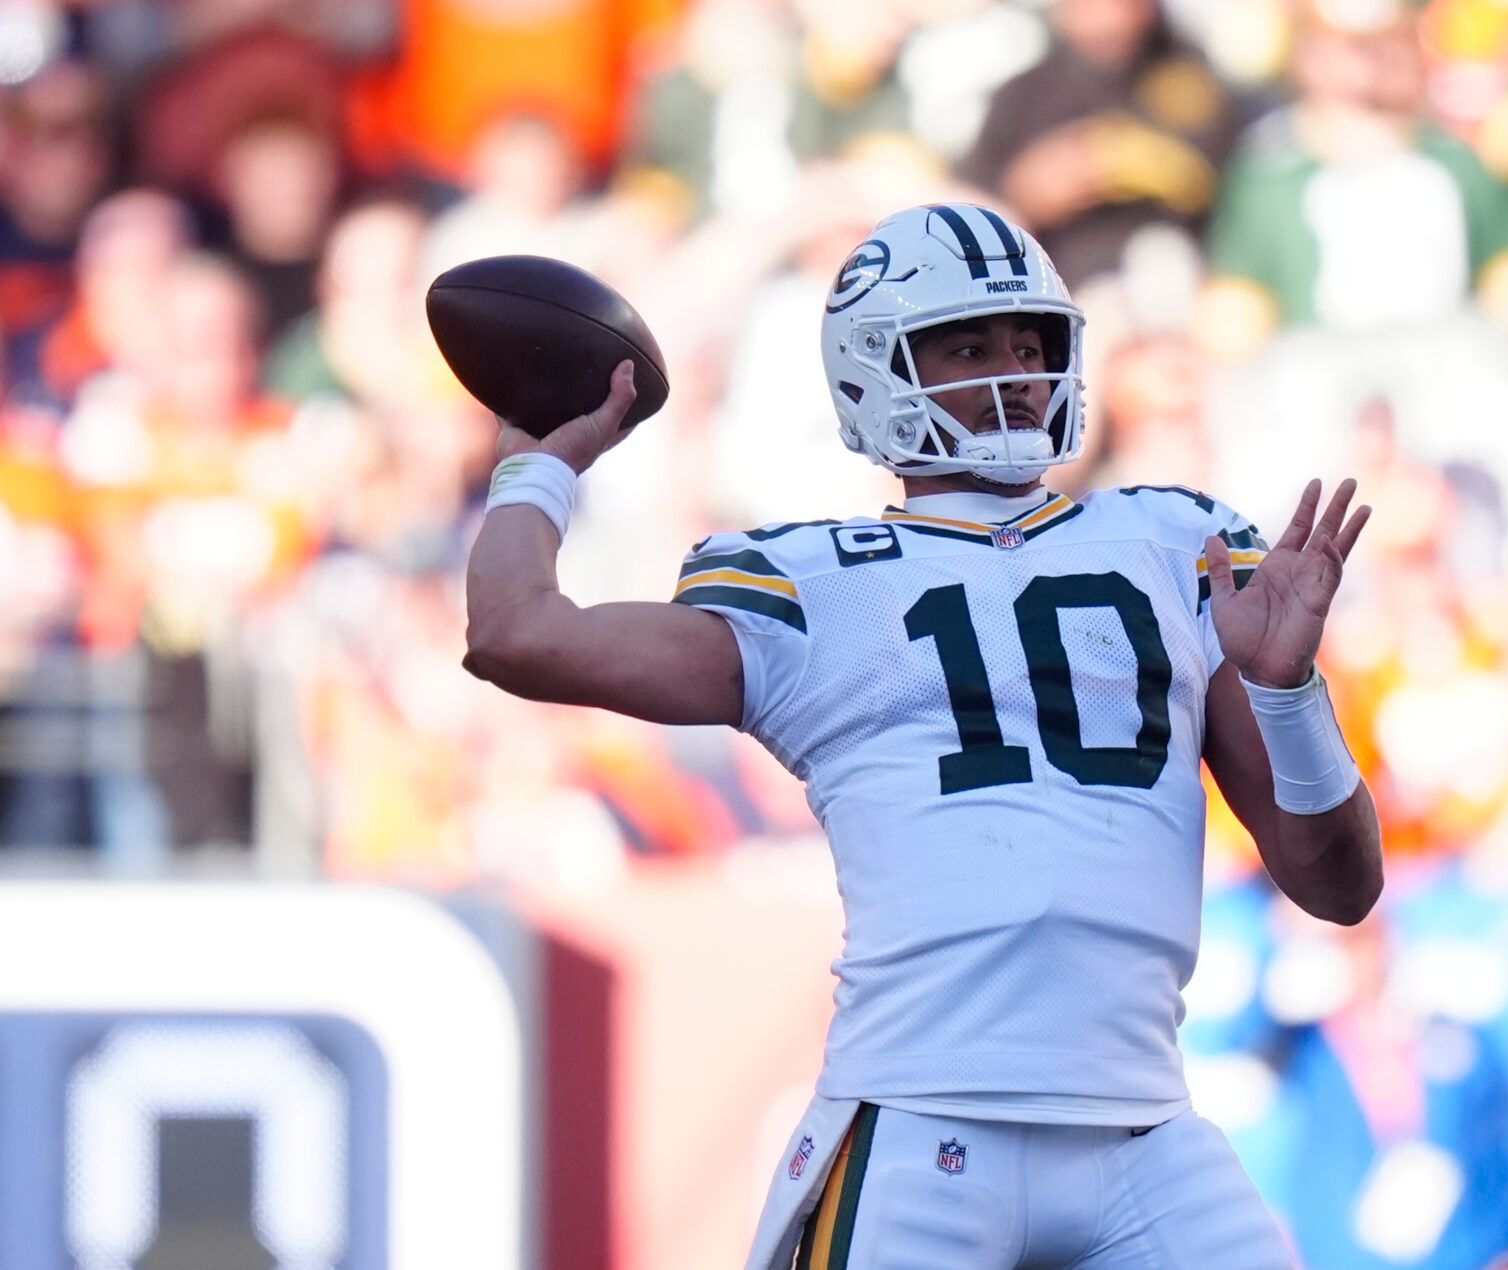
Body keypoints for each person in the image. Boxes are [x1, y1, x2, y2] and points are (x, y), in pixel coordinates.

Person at [462, 202, 1382, 1266]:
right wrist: (540, 463)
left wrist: (1289, 691)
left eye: (1031, 342)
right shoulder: (807, 582)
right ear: (876, 369)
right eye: (969, 343)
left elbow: (1339, 888)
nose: (1014, 371)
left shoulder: (1177, 542)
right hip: (921, 1129)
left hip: (1148, 1137)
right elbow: (518, 635)